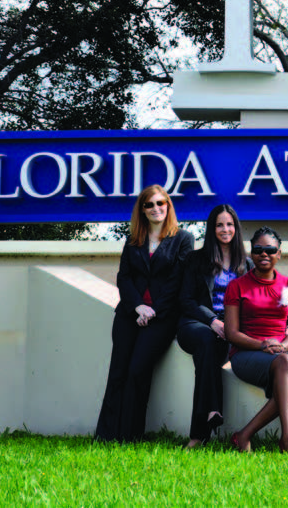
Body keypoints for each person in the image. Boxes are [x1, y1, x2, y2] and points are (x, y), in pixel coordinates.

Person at [95, 185, 194, 442]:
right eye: (149, 205)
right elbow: (124, 277)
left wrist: (154, 310)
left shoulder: (183, 239)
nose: (155, 208)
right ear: (142, 210)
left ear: (168, 206)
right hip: (130, 313)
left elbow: (177, 281)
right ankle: (105, 436)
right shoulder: (133, 240)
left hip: (162, 317)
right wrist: (138, 306)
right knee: (118, 372)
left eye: (161, 203)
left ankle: (129, 436)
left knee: (138, 370)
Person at [225, 226, 288, 454]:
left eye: (270, 250)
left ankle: (244, 435)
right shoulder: (237, 286)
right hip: (245, 354)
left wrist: (282, 346)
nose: (264, 254)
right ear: (251, 254)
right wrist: (262, 344)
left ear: (279, 254)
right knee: (284, 362)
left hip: (279, 353)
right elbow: (232, 334)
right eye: (258, 249)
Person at [177, 204, 250, 448]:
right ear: (212, 228)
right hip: (196, 322)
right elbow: (185, 299)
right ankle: (212, 411)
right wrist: (211, 320)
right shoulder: (196, 259)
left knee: (211, 350)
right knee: (208, 340)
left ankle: (199, 433)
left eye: (229, 224)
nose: (225, 229)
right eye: (219, 224)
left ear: (236, 228)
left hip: (229, 326)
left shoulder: (246, 265)